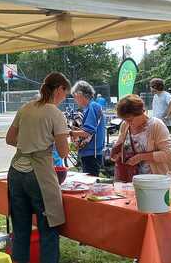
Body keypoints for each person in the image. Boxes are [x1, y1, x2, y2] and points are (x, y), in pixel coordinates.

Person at [6, 72, 70, 263]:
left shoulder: (26, 108)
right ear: (59, 89)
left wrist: (29, 142)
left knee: (21, 228)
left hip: (16, 171)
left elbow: (10, 139)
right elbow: (64, 151)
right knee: (49, 228)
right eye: (65, 93)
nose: (65, 98)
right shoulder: (55, 113)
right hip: (39, 173)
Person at [110, 94, 171, 176]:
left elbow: (169, 154)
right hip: (132, 180)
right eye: (124, 120)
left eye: (130, 119)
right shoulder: (125, 125)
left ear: (141, 112)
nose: (128, 123)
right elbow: (120, 145)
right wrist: (117, 152)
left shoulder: (156, 125)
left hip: (156, 181)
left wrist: (140, 157)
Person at [69, 80, 106, 176]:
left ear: (80, 94)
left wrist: (70, 132)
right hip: (91, 153)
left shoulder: (92, 106)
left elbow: (88, 131)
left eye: (74, 97)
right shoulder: (93, 107)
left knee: (90, 184)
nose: (74, 100)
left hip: (91, 154)